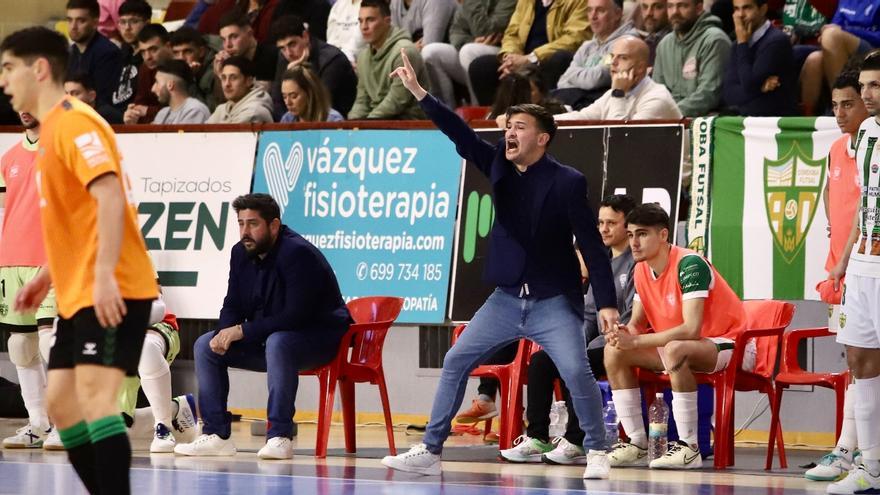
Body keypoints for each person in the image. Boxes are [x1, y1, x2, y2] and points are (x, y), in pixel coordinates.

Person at [384, 49, 620, 479]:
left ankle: (598, 449)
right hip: (507, 298)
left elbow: (592, 244)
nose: (509, 133)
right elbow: (460, 134)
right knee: (456, 360)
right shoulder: (498, 164)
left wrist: (606, 304)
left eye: (519, 127)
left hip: (553, 300)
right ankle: (431, 449)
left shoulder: (567, 182)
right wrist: (421, 92)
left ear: (542, 137)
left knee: (574, 368)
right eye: (508, 126)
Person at [0, 26, 159, 494]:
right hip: (74, 291)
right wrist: (48, 276)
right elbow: (78, 220)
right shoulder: (48, 136)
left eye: (9, 69)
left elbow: (108, 195)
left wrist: (106, 276)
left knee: (95, 401)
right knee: (63, 408)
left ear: (40, 69)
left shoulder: (75, 122)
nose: (4, 81)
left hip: (113, 286)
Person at [174, 193, 351, 460]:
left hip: (318, 341)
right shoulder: (240, 252)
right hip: (270, 340)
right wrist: (224, 332)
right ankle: (216, 434)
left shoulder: (298, 253)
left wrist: (242, 331)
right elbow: (233, 302)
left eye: (253, 224)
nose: (245, 231)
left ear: (274, 226)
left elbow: (296, 316)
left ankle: (279, 436)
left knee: (280, 341)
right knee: (204, 345)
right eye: (241, 223)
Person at [603, 204, 746, 470]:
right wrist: (621, 335)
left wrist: (635, 341)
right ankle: (636, 441)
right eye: (631, 234)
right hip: (677, 347)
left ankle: (689, 447)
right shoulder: (642, 269)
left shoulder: (690, 264)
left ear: (664, 235)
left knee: (676, 349)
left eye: (642, 234)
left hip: (728, 343)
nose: (633, 242)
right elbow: (636, 324)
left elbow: (691, 329)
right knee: (613, 352)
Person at [500, 195, 637, 464]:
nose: (603, 229)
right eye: (600, 222)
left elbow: (632, 318)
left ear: (628, 226)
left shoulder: (636, 263)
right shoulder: (601, 262)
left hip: (621, 345)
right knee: (541, 361)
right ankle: (538, 437)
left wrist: (586, 348)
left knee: (577, 362)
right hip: (594, 344)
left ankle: (577, 441)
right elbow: (587, 314)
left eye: (611, 223)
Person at [803, 70, 868, 483]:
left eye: (849, 104)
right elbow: (833, 200)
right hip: (842, 274)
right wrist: (835, 261)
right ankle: (850, 451)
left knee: (865, 363)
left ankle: (851, 451)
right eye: (836, 105)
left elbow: (867, 215)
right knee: (856, 362)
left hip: (865, 269)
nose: (841, 113)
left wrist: (847, 260)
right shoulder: (835, 149)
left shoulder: (873, 150)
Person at [825, 51, 880, 495]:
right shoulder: (862, 137)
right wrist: (844, 261)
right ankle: (871, 464)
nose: (866, 95)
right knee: (860, 360)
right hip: (864, 263)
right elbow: (864, 206)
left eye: (874, 86)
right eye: (864, 87)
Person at [0, 113, 63, 451]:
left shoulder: (62, 150)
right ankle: (38, 422)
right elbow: (4, 212)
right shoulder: (7, 158)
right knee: (20, 347)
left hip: (50, 260)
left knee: (49, 341)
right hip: (11, 262)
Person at [468, 0, 589, 105]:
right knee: (481, 67)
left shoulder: (578, 2)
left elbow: (575, 38)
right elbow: (512, 33)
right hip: (521, 59)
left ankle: (548, 114)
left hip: (546, 59)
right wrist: (509, 57)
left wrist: (531, 58)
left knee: (559, 59)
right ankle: (494, 119)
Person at [555, 36, 681, 120]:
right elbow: (582, 117)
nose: (613, 63)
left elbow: (619, 140)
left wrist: (618, 95)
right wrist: (543, 119)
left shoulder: (656, 98)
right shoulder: (612, 95)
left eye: (623, 58)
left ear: (641, 68)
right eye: (612, 56)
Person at [422, 0, 516, 107]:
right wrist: (470, 40)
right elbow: (455, 31)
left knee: (468, 50)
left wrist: (471, 1)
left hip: (502, 52)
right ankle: (447, 111)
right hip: (470, 49)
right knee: (430, 52)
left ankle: (477, 110)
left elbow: (488, 32)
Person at [348, 0, 428, 120]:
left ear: (387, 21)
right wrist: (350, 124)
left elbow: (397, 101)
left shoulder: (404, 52)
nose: (364, 27)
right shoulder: (363, 57)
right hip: (377, 123)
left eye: (370, 20)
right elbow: (362, 101)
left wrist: (365, 125)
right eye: (360, 21)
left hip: (409, 125)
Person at [651, 0, 731, 117]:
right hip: (670, 120)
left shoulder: (714, 40)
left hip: (707, 122)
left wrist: (669, 114)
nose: (675, 12)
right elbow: (657, 93)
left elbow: (709, 94)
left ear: (699, 8)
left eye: (683, 6)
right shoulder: (664, 44)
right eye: (670, 6)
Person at [800, 0, 879, 116]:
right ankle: (807, 119)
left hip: (874, 50)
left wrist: (845, 31)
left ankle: (840, 102)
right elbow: (834, 25)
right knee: (814, 59)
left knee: (831, 35)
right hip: (845, 45)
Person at [553, 0, 637, 110]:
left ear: (617, 14)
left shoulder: (626, 43)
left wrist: (575, 77)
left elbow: (598, 77)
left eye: (600, 10)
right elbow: (563, 80)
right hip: (580, 103)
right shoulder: (587, 46)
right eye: (589, 10)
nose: (593, 16)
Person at [269, 15, 357, 118]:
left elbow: (320, 104)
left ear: (305, 36)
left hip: (335, 125)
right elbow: (277, 101)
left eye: (292, 44)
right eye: (282, 48)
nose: (288, 53)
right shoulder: (285, 57)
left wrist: (294, 73)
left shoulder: (332, 59)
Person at [720, 0, 797, 116]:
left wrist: (742, 44)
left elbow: (749, 84)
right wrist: (760, 89)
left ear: (763, 10)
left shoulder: (776, 41)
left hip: (775, 122)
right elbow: (728, 94)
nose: (741, 15)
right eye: (736, 9)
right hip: (747, 120)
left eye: (747, 8)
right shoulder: (737, 44)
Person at [66, 0, 124, 108]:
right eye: (69, 20)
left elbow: (103, 99)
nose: (73, 26)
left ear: (95, 23)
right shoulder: (70, 53)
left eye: (81, 21)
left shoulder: (108, 53)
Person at [123, 24, 174, 124]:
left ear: (168, 46)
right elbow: (141, 104)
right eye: (143, 52)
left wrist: (148, 111)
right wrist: (134, 115)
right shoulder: (145, 68)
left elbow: (180, 110)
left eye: (153, 50)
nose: (147, 57)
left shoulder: (182, 67)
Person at [214, 13, 279, 91]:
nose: (228, 45)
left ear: (250, 34)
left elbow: (261, 96)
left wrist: (225, 76)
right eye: (224, 39)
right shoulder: (227, 62)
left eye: (234, 37)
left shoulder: (272, 55)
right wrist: (221, 75)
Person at [110, 0, 152, 112]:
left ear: (147, 24)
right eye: (122, 22)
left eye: (134, 21)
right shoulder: (119, 53)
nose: (127, 27)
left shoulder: (150, 58)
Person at [207, 56, 275, 124]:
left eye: (233, 78)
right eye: (224, 78)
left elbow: (229, 135)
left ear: (249, 81)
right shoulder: (221, 109)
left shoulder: (254, 112)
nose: (227, 84)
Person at [169, 26, 220, 111]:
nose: (181, 58)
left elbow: (207, 111)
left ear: (201, 52)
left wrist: (190, 81)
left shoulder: (214, 71)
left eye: (187, 51)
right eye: (176, 53)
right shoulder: (172, 69)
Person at [151, 60, 211, 124]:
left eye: (157, 82)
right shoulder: (162, 113)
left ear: (170, 85)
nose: (153, 89)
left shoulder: (195, 110)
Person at [278, 66, 344, 123]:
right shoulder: (287, 119)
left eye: (293, 96)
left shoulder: (333, 121)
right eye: (284, 97)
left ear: (310, 94)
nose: (288, 102)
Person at [389, 0, 458, 49]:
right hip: (415, 54)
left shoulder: (435, 1)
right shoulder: (395, 2)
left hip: (452, 54)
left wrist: (405, 50)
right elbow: (393, 44)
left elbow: (430, 43)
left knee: (428, 52)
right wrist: (410, 48)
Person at [635, 0, 671, 66]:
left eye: (657, 7)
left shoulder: (674, 43)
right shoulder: (644, 41)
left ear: (670, 8)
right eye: (645, 7)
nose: (648, 13)